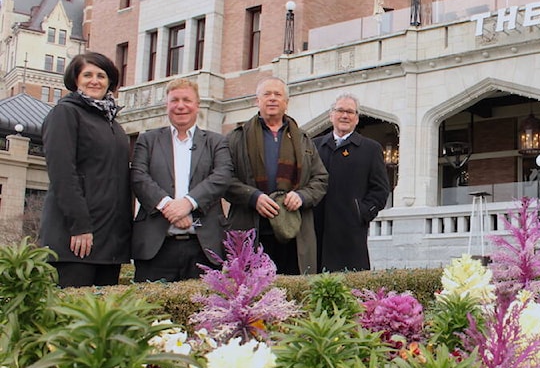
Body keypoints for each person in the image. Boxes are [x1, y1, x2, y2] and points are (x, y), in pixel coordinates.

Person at [39, 52, 131, 288]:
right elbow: (62, 175)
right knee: (73, 320)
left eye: (101, 75)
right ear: (75, 79)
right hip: (76, 241)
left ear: (110, 81)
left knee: (102, 322)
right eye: (87, 75)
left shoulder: (113, 124)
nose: (95, 80)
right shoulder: (66, 113)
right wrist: (80, 227)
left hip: (109, 245)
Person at [130, 78, 233, 282]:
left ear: (197, 105)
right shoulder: (147, 140)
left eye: (187, 99)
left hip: (203, 247)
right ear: (166, 105)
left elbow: (222, 176)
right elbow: (139, 177)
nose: (180, 106)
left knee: (202, 312)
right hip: (156, 247)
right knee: (153, 312)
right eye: (174, 100)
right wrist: (169, 207)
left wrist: (187, 204)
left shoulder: (216, 142)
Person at [225, 77, 328, 274]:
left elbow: (321, 179)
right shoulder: (236, 138)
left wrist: (302, 196)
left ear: (286, 103)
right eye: (267, 94)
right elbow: (223, 179)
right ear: (257, 101)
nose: (272, 99)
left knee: (294, 294)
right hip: (251, 229)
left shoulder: (304, 139)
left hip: (294, 232)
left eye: (278, 94)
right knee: (249, 295)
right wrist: (253, 197)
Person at [313, 93, 390, 271]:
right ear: (331, 115)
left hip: (351, 234)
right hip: (317, 231)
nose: (345, 116)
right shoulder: (314, 146)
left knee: (352, 289)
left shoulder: (370, 149)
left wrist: (361, 213)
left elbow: (380, 190)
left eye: (350, 112)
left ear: (357, 119)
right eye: (340, 110)